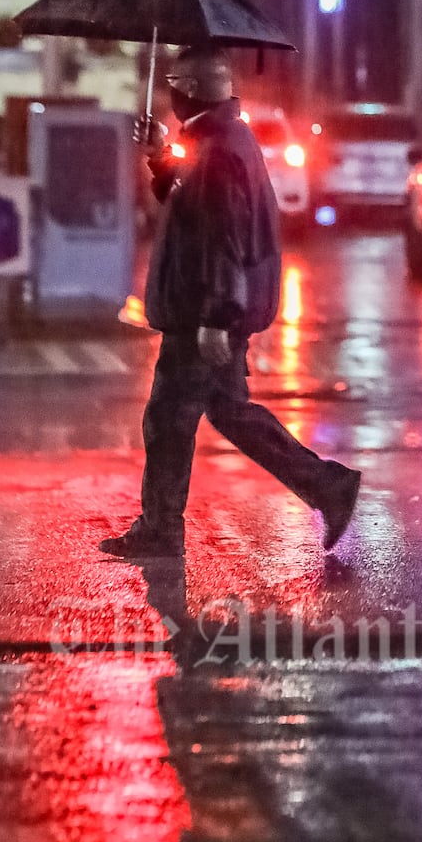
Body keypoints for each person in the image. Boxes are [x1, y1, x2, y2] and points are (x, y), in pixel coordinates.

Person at [102, 45, 360, 558]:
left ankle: (160, 529)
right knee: (229, 412)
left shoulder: (219, 148)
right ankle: (328, 487)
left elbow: (224, 238)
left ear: (191, 90)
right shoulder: (214, 139)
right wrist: (160, 153)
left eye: (173, 83)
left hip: (203, 310)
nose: (168, 93)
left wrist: (217, 318)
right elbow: (182, 199)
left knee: (168, 417)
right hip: (208, 308)